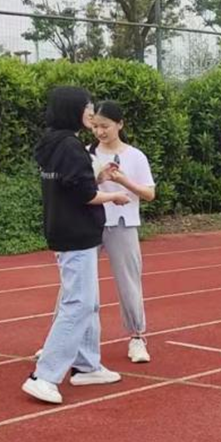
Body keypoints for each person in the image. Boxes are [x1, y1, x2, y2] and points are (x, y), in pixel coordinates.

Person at [22, 87, 131, 405]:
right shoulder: (71, 146)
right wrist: (113, 195)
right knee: (79, 304)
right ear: (72, 109)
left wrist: (97, 178)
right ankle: (44, 376)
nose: (91, 113)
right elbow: (84, 195)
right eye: (87, 108)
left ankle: (86, 365)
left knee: (88, 301)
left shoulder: (52, 142)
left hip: (65, 229)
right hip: (76, 233)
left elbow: (71, 185)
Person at [90, 100, 156, 364]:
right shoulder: (87, 153)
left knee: (129, 281)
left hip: (122, 224)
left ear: (119, 124)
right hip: (90, 223)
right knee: (75, 283)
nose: (99, 132)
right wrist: (100, 178)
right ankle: (61, 340)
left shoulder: (135, 156)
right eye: (95, 126)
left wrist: (123, 180)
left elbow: (149, 194)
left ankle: (137, 337)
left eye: (105, 126)